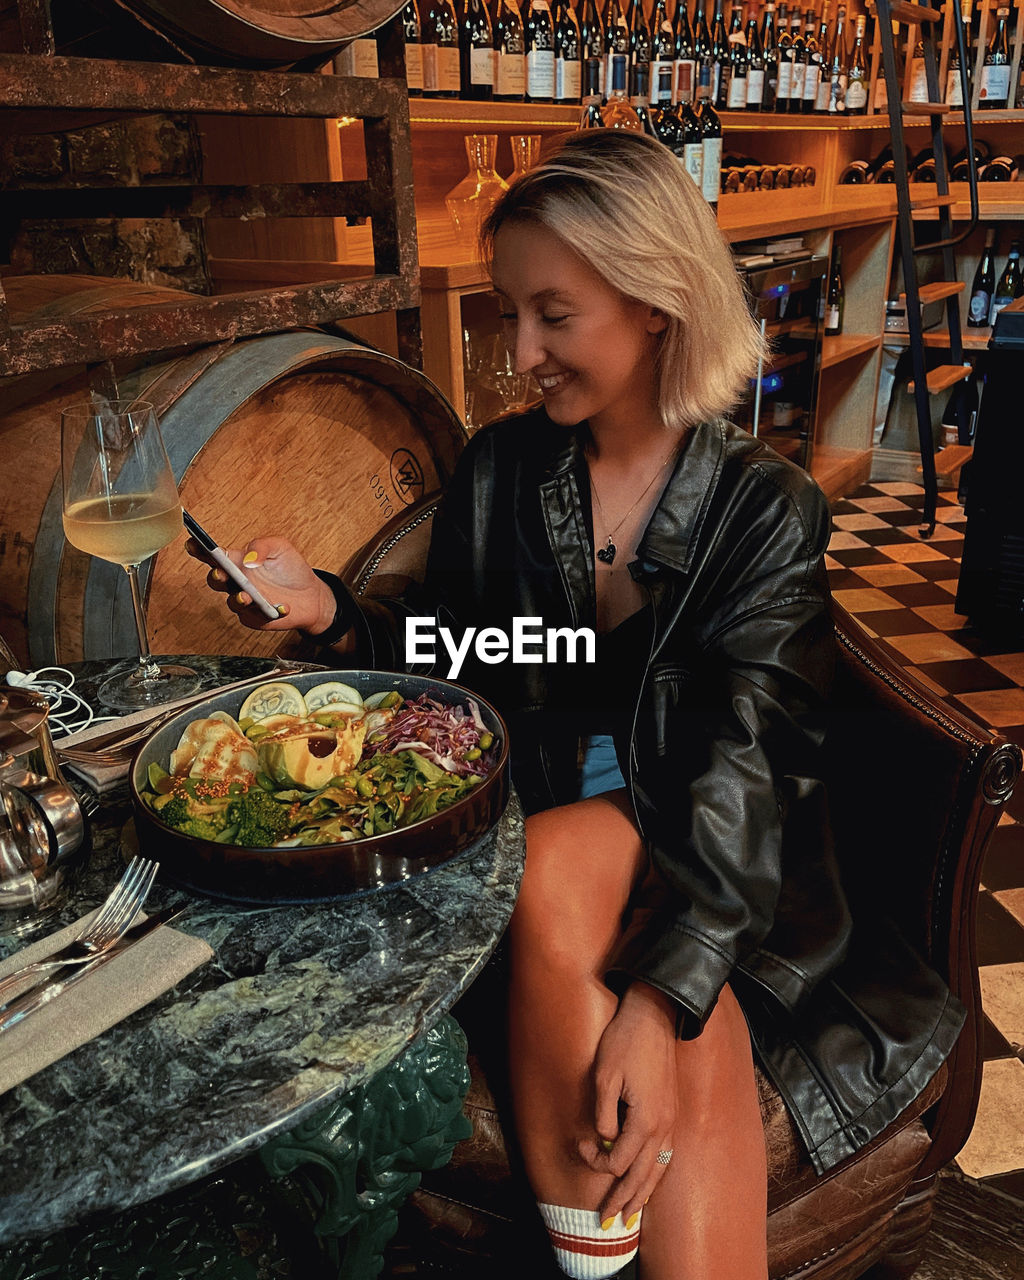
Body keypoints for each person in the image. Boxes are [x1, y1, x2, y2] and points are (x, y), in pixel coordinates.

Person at [189, 131, 964, 1280]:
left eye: (552, 314)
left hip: (718, 855)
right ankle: (603, 1247)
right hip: (556, 833)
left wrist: (657, 1008)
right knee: (553, 859)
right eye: (511, 313)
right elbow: (473, 654)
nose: (519, 353)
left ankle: (600, 1245)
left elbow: (744, 771)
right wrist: (336, 619)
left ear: (656, 301)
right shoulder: (504, 469)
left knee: (564, 874)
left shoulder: (765, 508)